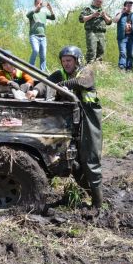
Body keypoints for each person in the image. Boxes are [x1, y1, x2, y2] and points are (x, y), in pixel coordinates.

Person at [26, 46, 103, 208]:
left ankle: (98, 204)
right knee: (73, 161)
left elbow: (83, 82)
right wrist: (35, 91)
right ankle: (87, 193)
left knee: (90, 160)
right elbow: (45, 84)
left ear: (77, 61)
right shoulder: (59, 73)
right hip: (70, 121)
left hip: (89, 120)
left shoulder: (86, 71)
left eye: (69, 60)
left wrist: (60, 86)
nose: (66, 64)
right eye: (63, 61)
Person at [79, 0, 112, 64]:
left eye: (101, 2)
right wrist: (92, 15)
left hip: (101, 33)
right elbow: (81, 19)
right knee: (92, 51)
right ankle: (89, 67)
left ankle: (98, 67)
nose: (99, 3)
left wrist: (104, 15)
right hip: (91, 32)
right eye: (98, 1)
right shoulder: (88, 8)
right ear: (94, 0)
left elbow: (109, 22)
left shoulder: (103, 10)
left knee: (101, 51)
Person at [26, 0, 55, 71]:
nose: (41, 5)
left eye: (41, 3)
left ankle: (42, 72)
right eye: (39, 3)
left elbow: (53, 18)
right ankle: (30, 68)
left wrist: (50, 9)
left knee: (43, 56)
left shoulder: (44, 13)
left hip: (43, 37)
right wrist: (36, 8)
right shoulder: (32, 12)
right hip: (34, 36)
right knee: (35, 50)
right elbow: (27, 15)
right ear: (35, 4)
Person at [113, 0, 133, 71]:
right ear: (125, 6)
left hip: (131, 37)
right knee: (123, 52)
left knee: (130, 53)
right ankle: (122, 67)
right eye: (128, 5)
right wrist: (121, 12)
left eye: (131, 5)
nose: (130, 7)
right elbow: (114, 20)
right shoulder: (120, 13)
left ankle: (129, 68)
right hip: (122, 37)